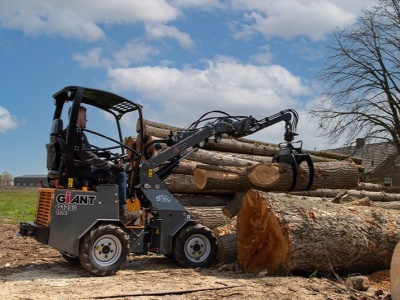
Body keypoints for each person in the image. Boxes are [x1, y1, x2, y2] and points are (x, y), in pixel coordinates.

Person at [69, 106, 140, 223]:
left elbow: (86, 152)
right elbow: (89, 157)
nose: (87, 120)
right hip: (82, 172)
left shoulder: (71, 133)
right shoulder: (76, 134)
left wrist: (102, 154)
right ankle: (122, 212)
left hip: (80, 169)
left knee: (112, 171)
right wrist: (111, 166)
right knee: (121, 174)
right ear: (78, 118)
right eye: (85, 117)